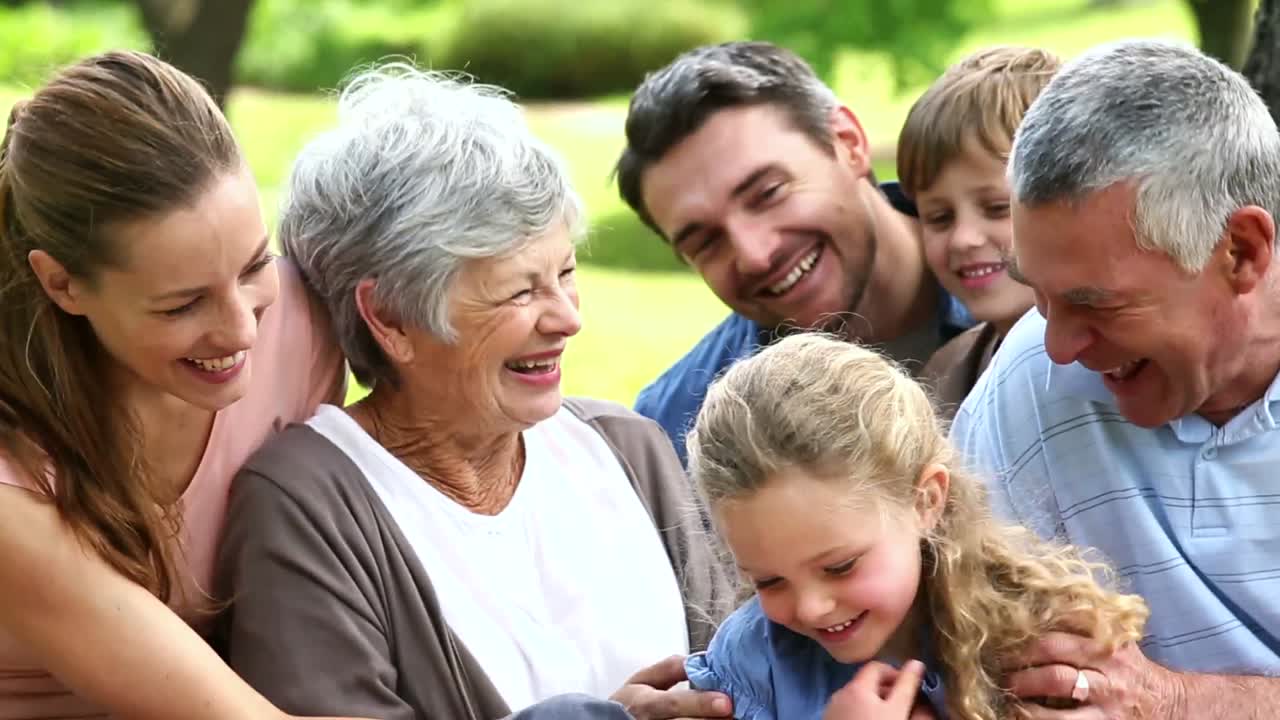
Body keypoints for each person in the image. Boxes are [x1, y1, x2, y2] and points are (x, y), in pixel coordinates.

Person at [0, 50, 677, 720]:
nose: (242, 332)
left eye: (253, 266)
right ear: (63, 284)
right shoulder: (13, 487)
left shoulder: (295, 323)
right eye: (182, 305)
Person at [213, 65, 734, 720]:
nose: (567, 317)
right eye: (519, 290)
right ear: (392, 319)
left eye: (565, 272)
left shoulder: (632, 450)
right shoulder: (308, 505)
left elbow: (754, 683)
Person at [950, 39, 1280, 717]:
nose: (1060, 347)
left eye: (1095, 303)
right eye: (1039, 295)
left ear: (1242, 251)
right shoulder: (1023, 394)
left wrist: (1176, 701)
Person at [682, 333, 1148, 720]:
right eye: (769, 580)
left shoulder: (1038, 640)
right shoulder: (752, 662)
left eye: (840, 566)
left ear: (925, 500)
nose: (811, 608)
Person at [614, 41, 973, 464]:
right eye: (706, 241)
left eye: (767, 193)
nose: (754, 255)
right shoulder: (674, 436)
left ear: (848, 143)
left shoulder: (1038, 299)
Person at [897, 46, 1059, 416]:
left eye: (997, 208)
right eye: (939, 218)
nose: (964, 238)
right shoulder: (943, 386)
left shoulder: (1120, 360)